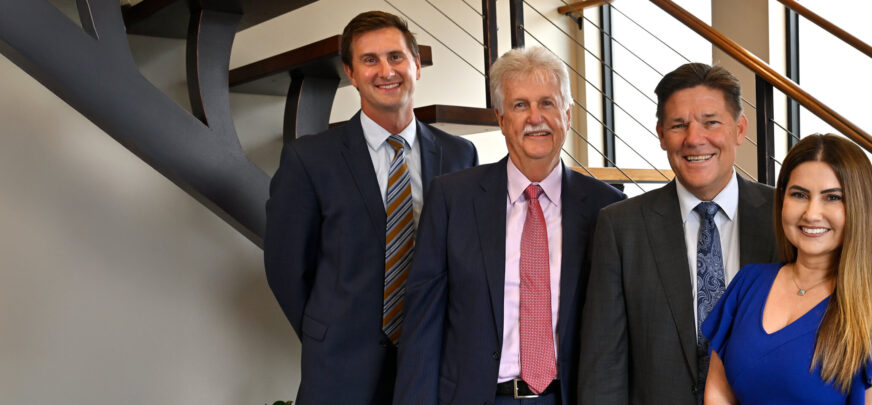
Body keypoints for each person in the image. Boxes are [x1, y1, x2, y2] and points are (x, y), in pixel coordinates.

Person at [264, 11, 478, 405]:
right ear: (350, 72)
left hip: (435, 365)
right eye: (370, 60)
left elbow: (468, 258)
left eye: (396, 57)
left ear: (416, 65)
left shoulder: (459, 154)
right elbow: (285, 268)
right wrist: (327, 329)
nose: (386, 71)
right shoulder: (309, 159)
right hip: (339, 369)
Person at [393, 46, 624, 405]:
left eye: (547, 103)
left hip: (568, 397)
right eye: (520, 105)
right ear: (502, 120)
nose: (536, 117)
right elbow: (423, 325)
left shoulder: (607, 207)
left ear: (568, 114)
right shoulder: (452, 198)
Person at [578, 62, 781, 404]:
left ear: (739, 129)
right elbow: (603, 367)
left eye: (711, 122)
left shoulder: (784, 218)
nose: (694, 139)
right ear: (661, 135)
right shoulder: (620, 227)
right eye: (678, 125)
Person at [701, 134, 872, 404]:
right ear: (782, 201)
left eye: (832, 198)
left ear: (858, 208)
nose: (812, 214)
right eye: (799, 194)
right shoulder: (747, 283)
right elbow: (718, 393)